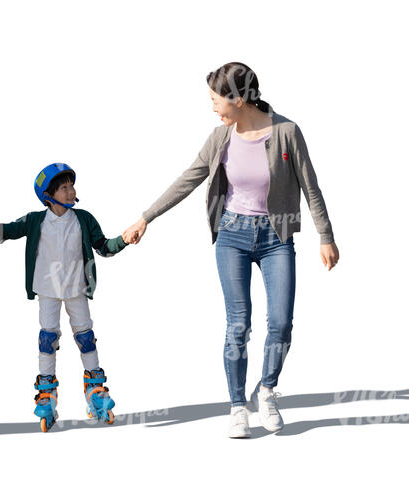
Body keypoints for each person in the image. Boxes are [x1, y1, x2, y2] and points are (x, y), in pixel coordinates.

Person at [123, 62, 340, 438]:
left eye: (215, 100)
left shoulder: (287, 132)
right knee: (238, 325)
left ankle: (267, 391)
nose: (212, 108)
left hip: (276, 238)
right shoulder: (219, 138)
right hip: (233, 236)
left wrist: (326, 235)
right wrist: (145, 217)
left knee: (281, 322)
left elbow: (310, 185)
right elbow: (187, 180)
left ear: (238, 99)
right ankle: (238, 404)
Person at [0, 163, 128, 431]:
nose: (71, 192)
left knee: (86, 337)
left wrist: (124, 239)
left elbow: (103, 246)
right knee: (48, 338)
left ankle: (95, 390)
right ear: (48, 194)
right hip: (47, 291)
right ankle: (46, 392)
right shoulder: (36, 220)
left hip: (76, 289)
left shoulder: (83, 219)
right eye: (64, 188)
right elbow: (6, 231)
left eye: (72, 186)